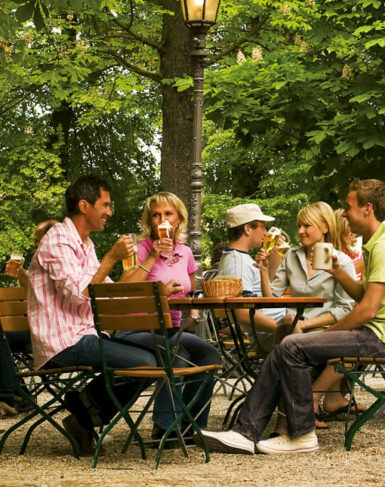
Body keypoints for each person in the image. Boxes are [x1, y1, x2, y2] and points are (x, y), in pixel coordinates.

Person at [202, 178, 385, 454]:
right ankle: (245, 433)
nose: (343, 213)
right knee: (288, 345)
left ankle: (302, 434)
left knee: (294, 346)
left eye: (348, 207)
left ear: (367, 209)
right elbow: (363, 295)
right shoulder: (378, 241)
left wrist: (327, 335)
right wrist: (338, 272)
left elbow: (366, 310)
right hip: (379, 333)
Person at [26, 175, 160, 455]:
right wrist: (111, 258)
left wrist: (158, 293)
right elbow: (79, 294)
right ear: (84, 206)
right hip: (62, 342)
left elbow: (107, 292)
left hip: (87, 333)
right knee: (146, 362)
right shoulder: (58, 241)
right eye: (106, 205)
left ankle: (83, 413)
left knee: (159, 352)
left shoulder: (85, 245)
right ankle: (83, 411)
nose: (110, 212)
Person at [119, 192, 219, 442]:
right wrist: (153, 256)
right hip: (137, 329)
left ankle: (191, 425)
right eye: (156, 215)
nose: (162, 220)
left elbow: (191, 291)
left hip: (171, 329)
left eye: (168, 214)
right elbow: (124, 289)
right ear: (150, 221)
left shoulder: (185, 253)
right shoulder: (139, 250)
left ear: (178, 220)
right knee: (179, 354)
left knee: (209, 354)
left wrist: (192, 315)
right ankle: (164, 427)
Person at [270, 202, 356, 341]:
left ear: (325, 228)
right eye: (299, 226)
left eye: (307, 226)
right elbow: (273, 295)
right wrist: (264, 267)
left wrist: (303, 324)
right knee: (278, 337)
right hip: (290, 326)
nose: (300, 231)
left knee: (289, 343)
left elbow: (345, 309)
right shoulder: (291, 256)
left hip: (326, 329)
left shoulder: (342, 261)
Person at [1, 219, 57, 416]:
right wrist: (20, 275)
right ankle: (18, 394)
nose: (33, 245)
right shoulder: (43, 263)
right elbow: (37, 290)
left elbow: (42, 295)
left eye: (37, 240)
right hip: (35, 330)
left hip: (49, 336)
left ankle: (12, 395)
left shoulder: (55, 263)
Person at [217, 204, 285, 334]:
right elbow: (243, 314)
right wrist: (283, 330)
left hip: (272, 325)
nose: (265, 232)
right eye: (263, 226)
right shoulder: (238, 262)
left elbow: (263, 291)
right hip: (270, 331)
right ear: (248, 228)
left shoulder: (239, 258)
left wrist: (276, 257)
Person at [333, 209, 363, 278]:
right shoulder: (328, 256)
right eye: (349, 224)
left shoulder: (357, 256)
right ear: (339, 229)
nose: (355, 228)